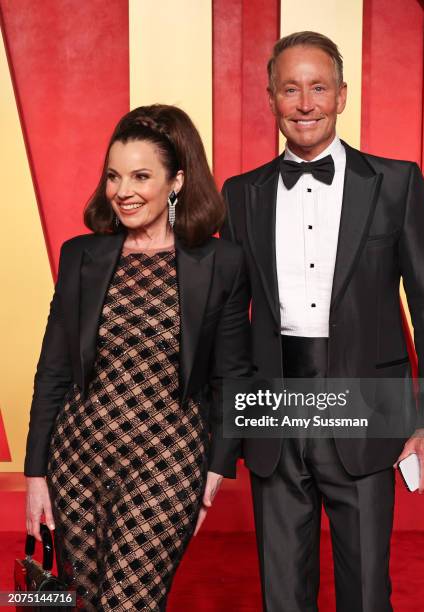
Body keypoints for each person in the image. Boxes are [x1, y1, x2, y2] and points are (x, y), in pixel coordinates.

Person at [221, 31, 424, 611]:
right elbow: (227, 321)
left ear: (342, 96)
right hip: (272, 418)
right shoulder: (240, 194)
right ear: (272, 99)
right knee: (282, 596)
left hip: (365, 412)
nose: (305, 103)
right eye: (290, 89)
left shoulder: (396, 183)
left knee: (365, 595)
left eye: (319, 87)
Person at [24, 104, 251, 610]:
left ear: (176, 181)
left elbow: (233, 374)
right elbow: (54, 370)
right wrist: (36, 473)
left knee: (130, 603)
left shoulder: (220, 262)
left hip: (167, 462)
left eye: (141, 176)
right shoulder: (82, 256)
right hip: (77, 458)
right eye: (113, 175)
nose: (122, 190)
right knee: (85, 602)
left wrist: (217, 466)